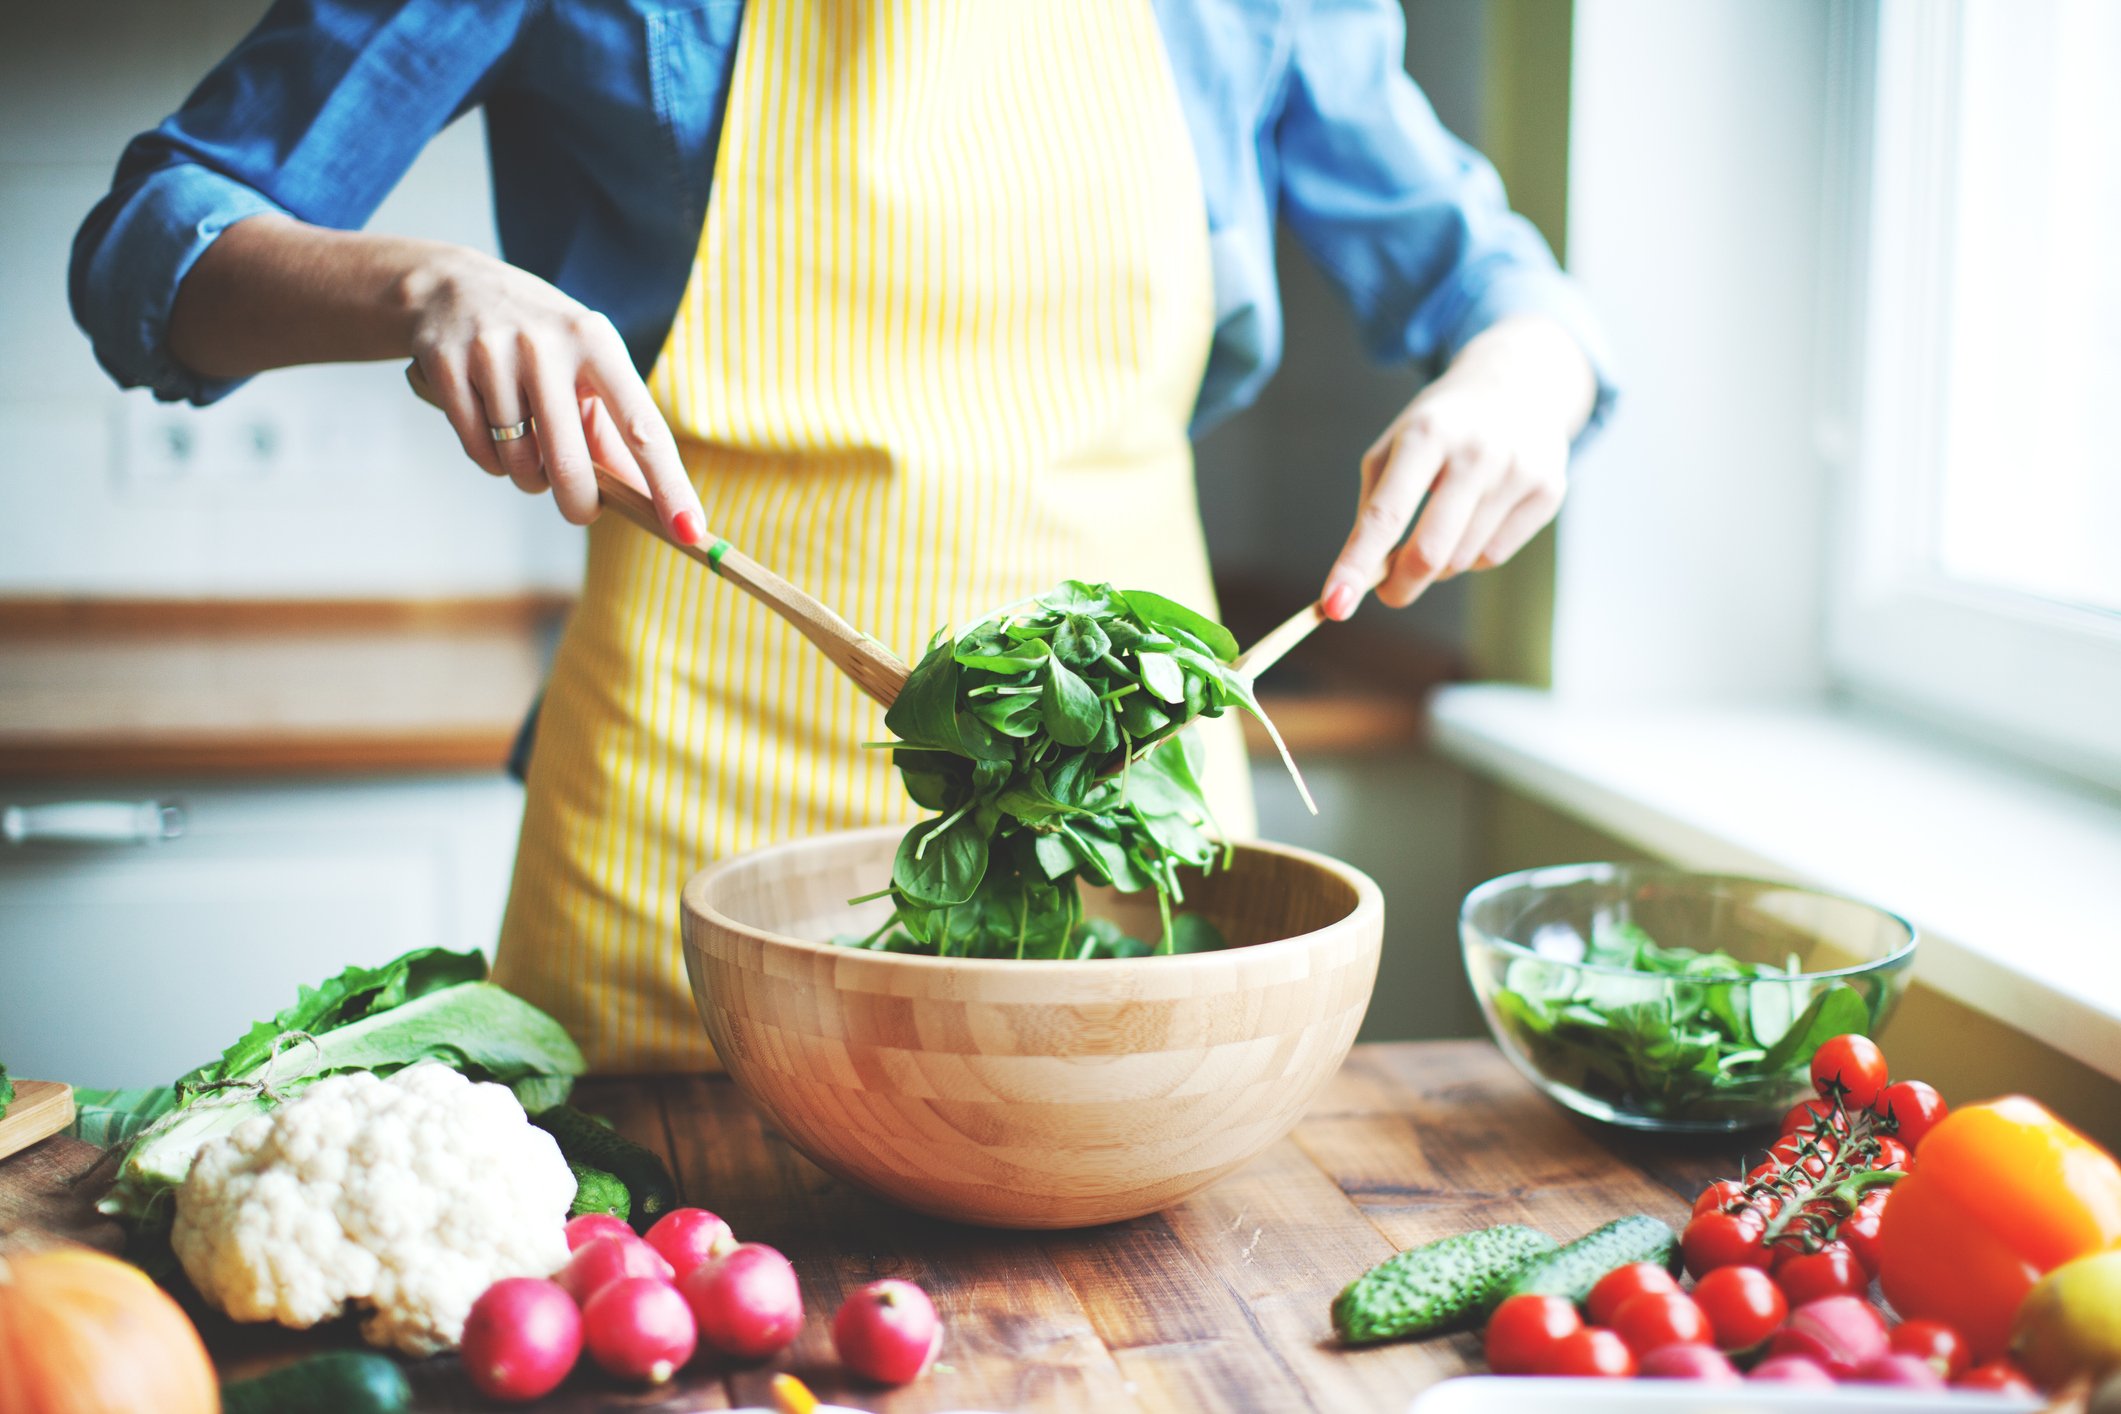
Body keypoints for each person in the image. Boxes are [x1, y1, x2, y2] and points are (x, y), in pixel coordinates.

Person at [72, 0, 1614, 1072]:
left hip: (1130, 838)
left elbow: (1495, 285)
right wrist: (426, 288)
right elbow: (150, 239)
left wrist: (1519, 378)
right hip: (674, 866)